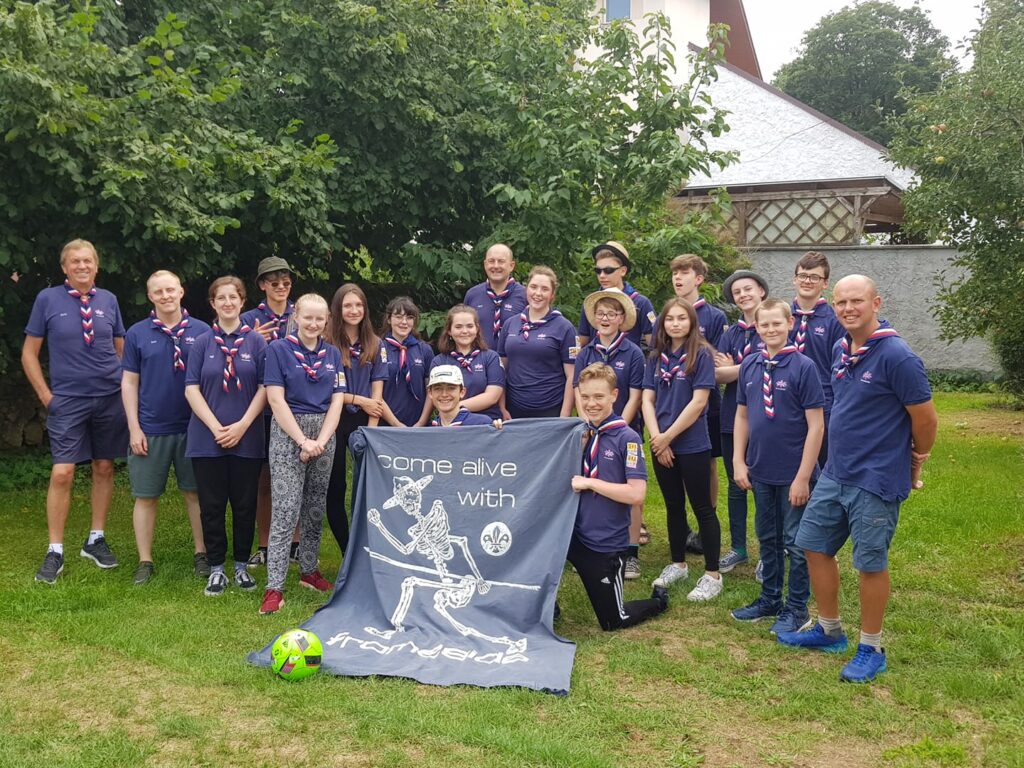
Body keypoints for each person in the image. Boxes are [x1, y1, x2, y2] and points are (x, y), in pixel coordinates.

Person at [778, 275, 937, 684]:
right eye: (841, 302)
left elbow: (925, 419)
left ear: (876, 303)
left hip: (876, 478)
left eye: (857, 301)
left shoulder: (897, 356)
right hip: (837, 471)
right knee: (812, 545)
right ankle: (830, 630)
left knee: (869, 563)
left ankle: (872, 647)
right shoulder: (841, 348)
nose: (848, 308)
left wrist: (916, 459)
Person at [23, 239, 127, 584]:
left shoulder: (109, 300)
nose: (82, 266)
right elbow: (29, 353)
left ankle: (95, 539)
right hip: (67, 400)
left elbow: (121, 349)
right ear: (64, 268)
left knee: (104, 466)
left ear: (96, 266)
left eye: (87, 261)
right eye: (75, 261)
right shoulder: (47, 299)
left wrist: (124, 387)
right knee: (63, 472)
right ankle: (55, 550)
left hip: (109, 397)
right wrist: (47, 397)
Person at [730, 299, 824, 635]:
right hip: (761, 469)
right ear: (756, 327)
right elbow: (742, 416)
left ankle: (797, 607)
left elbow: (816, 425)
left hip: (794, 472)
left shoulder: (803, 367)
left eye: (776, 323)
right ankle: (770, 598)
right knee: (767, 536)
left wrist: (803, 477)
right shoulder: (750, 365)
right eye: (764, 324)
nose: (770, 329)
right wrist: (738, 460)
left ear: (790, 324)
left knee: (796, 542)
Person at [259, 294, 346, 615]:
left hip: (324, 433)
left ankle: (309, 570)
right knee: (286, 509)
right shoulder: (278, 350)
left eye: (319, 319)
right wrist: (302, 441)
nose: (313, 323)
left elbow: (338, 398)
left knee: (314, 507)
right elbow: (275, 399)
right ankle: (274, 587)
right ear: (296, 317)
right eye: (307, 317)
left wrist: (321, 439)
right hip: (288, 432)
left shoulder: (332, 353)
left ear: (326, 321)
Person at [121, 270, 210, 585]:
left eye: (170, 289)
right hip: (151, 428)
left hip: (193, 428)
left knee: (195, 493)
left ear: (181, 291)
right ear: (150, 296)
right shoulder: (137, 333)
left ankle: (202, 553)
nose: (166, 296)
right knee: (146, 496)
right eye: (158, 291)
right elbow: (129, 382)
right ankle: (145, 560)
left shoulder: (202, 331)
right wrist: (134, 428)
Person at [184, 276, 268, 597]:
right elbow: (191, 388)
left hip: (247, 437)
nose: (228, 303)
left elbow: (265, 388)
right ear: (213, 303)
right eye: (221, 298)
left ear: (242, 301)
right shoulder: (201, 342)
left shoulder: (257, 343)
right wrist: (215, 426)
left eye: (233, 297)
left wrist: (242, 425)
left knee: (245, 505)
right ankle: (217, 568)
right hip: (207, 438)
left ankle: (242, 565)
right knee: (212, 506)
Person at [568, 363, 669, 628]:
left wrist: (590, 483)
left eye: (598, 396)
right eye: (585, 397)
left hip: (605, 545)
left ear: (614, 395)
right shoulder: (579, 433)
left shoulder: (628, 438)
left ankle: (658, 601)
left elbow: (637, 494)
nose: (591, 404)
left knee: (613, 620)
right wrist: (499, 429)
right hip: (571, 535)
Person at [642, 298, 723, 601]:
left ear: (692, 323)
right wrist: (657, 438)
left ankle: (712, 574)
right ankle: (678, 564)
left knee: (702, 508)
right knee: (673, 506)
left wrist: (668, 437)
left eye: (681, 318)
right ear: (662, 324)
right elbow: (647, 400)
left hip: (691, 444)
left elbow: (699, 402)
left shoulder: (700, 355)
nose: (675, 324)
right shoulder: (655, 357)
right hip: (661, 442)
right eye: (670, 319)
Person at [573, 288, 645, 580]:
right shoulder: (586, 352)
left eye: (611, 314)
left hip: (619, 426)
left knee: (626, 485)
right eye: (600, 313)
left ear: (621, 318)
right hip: (591, 428)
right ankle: (587, 545)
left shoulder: (633, 352)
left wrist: (614, 428)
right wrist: (588, 423)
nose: (605, 318)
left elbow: (635, 394)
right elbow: (578, 391)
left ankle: (631, 551)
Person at [669, 254, 729, 556]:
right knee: (677, 462)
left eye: (684, 273)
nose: (678, 278)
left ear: (699, 279)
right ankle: (681, 527)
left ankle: (707, 523)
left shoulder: (714, 317)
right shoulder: (669, 313)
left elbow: (718, 361)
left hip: (707, 400)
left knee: (708, 462)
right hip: (672, 399)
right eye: (675, 273)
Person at [324, 284, 387, 555]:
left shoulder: (376, 344)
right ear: (338, 309)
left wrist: (370, 433)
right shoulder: (326, 343)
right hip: (334, 419)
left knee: (366, 485)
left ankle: (367, 549)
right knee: (335, 485)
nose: (353, 310)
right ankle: (346, 551)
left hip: (365, 421)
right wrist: (359, 400)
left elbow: (377, 392)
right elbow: (327, 389)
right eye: (347, 305)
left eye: (358, 305)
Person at [242, 257, 296, 569]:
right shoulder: (249, 319)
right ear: (262, 285)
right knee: (264, 480)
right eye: (274, 282)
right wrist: (252, 342)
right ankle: (264, 545)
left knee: (297, 478)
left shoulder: (301, 315)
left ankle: (296, 544)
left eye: (286, 282)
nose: (281, 287)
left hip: (298, 406)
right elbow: (232, 362)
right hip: (261, 408)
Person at [715, 270, 769, 578]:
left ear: (761, 290)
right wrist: (753, 364)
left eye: (748, 288)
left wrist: (736, 366)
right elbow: (717, 374)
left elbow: (772, 363)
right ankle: (738, 547)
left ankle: (768, 551)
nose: (743, 295)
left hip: (765, 419)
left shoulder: (771, 325)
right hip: (731, 417)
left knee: (764, 486)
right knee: (736, 484)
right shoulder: (731, 334)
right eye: (737, 292)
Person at [497, 266, 577, 419]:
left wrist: (565, 415)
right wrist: (502, 407)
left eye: (545, 289)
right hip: (513, 409)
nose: (538, 293)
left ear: (552, 294)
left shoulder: (565, 328)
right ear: (526, 289)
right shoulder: (510, 324)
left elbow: (572, 376)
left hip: (550, 409)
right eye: (533, 287)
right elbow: (501, 370)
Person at [789, 252, 845, 466]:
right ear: (794, 279)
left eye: (815, 277)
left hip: (823, 401)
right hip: (786, 397)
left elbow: (840, 366)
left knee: (821, 463)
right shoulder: (781, 318)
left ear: (825, 283)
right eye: (803, 276)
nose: (807, 281)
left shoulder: (835, 320)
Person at [430, 304, 505, 421]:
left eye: (470, 326)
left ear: (477, 329)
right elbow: (435, 395)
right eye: (458, 327)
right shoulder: (439, 361)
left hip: (486, 422)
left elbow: (492, 396)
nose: (464, 331)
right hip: (451, 422)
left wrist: (455, 407)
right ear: (449, 331)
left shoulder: (491, 357)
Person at [576, 242, 655, 349]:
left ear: (623, 271)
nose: (602, 275)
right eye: (598, 271)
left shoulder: (641, 303)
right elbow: (582, 340)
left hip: (629, 358)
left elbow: (654, 344)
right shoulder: (591, 302)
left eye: (608, 270)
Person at [379, 296, 434, 427]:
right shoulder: (378, 349)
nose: (404, 322)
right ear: (389, 319)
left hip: (419, 427)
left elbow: (432, 391)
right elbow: (375, 393)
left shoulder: (424, 350)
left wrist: (421, 423)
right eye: (398, 317)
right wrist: (396, 424)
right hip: (386, 426)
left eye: (409, 317)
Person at [463, 243, 527, 351]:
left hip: (514, 359)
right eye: (491, 261)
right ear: (485, 264)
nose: (496, 266)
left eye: (501, 261)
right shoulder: (472, 295)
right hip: (479, 358)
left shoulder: (526, 295)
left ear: (511, 265)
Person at [424, 365, 497, 426]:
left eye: (451, 388)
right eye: (438, 388)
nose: (444, 394)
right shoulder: (429, 432)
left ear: (462, 392)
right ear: (430, 393)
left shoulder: (482, 423)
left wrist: (498, 430)